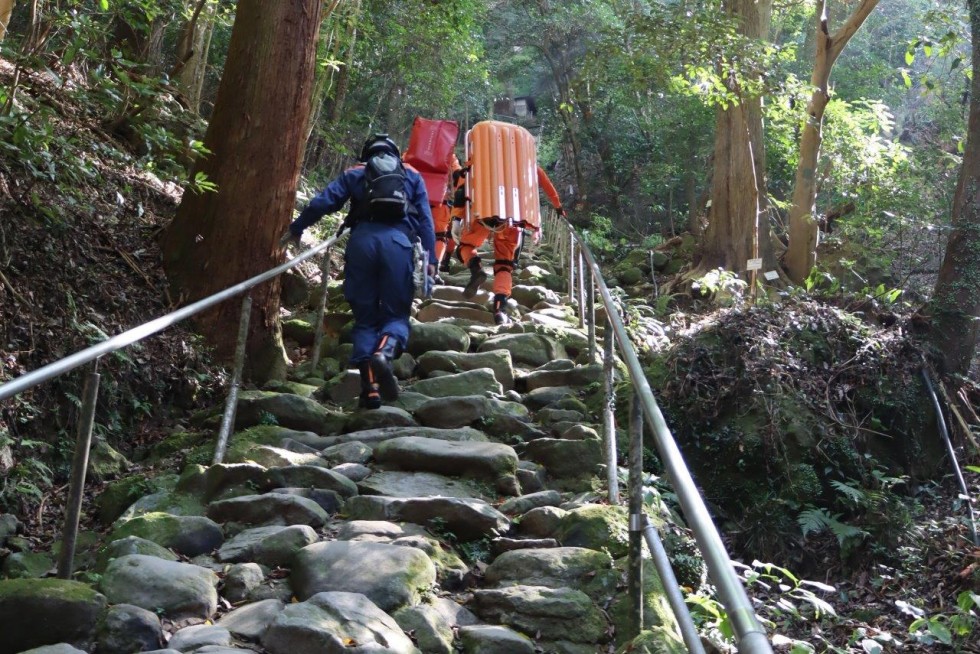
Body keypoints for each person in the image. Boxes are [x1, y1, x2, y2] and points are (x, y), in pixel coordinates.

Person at [281, 134, 436, 409]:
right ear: (395, 154)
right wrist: (431, 258)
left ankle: (371, 390)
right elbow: (425, 220)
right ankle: (384, 353)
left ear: (367, 155)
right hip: (399, 245)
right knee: (396, 315)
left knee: (365, 319)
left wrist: (297, 228)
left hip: (362, 244)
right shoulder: (411, 175)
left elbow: (322, 202)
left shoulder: (356, 173)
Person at [452, 164, 564, 325]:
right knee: (504, 265)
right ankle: (500, 308)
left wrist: (456, 218)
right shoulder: (525, 161)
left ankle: (476, 269)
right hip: (513, 219)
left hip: (483, 214)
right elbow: (546, 188)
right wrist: (556, 208)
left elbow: (463, 188)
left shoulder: (483, 155)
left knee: (465, 247)